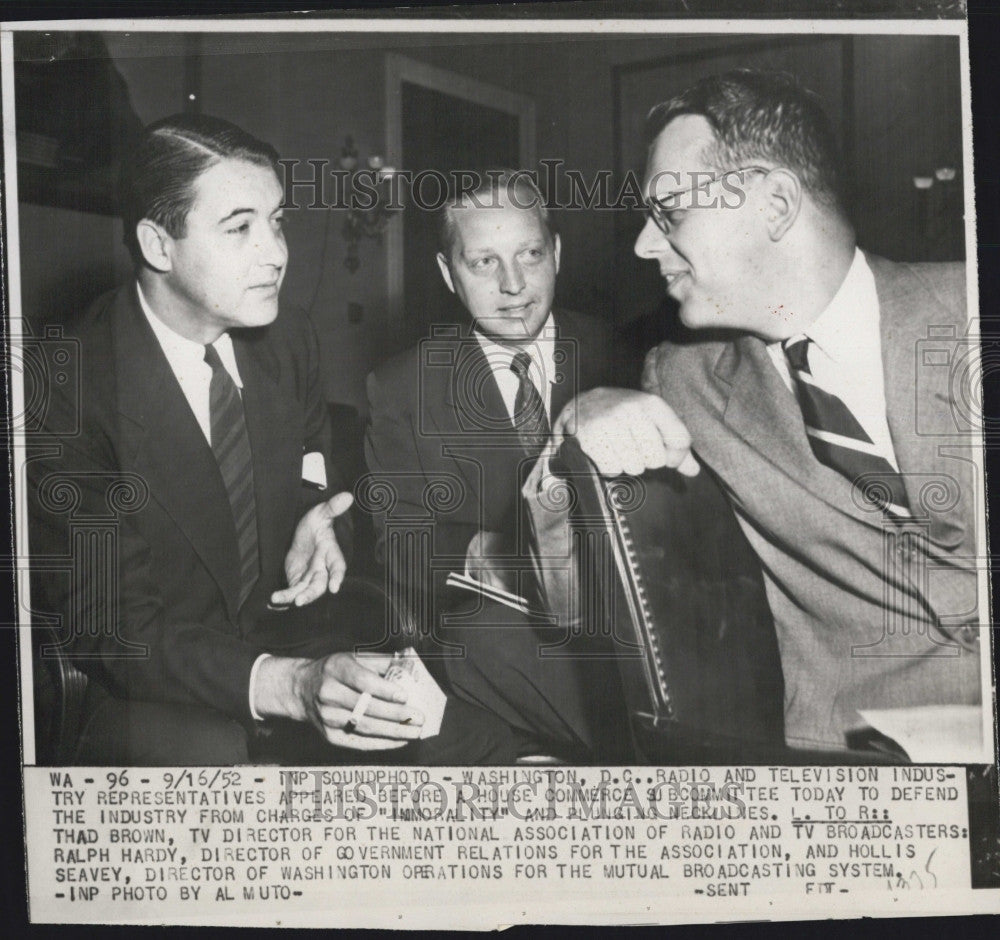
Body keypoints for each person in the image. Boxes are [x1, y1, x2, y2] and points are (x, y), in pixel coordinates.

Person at [27, 114, 519, 765]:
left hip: (287, 636)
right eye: (240, 228)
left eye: (278, 220)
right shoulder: (63, 387)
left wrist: (314, 518)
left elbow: (315, 465)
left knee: (451, 710)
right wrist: (289, 685)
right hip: (145, 679)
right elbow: (114, 626)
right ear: (157, 244)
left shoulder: (286, 341)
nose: (276, 253)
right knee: (213, 756)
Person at [559, 70, 982, 755]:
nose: (643, 244)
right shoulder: (681, 379)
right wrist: (576, 421)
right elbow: (573, 600)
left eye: (670, 211)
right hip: (854, 768)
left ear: (776, 204)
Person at [364, 170, 629, 760]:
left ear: (556, 253)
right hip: (503, 642)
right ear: (447, 274)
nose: (514, 285)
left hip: (630, 633)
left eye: (530, 255)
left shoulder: (624, 359)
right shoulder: (402, 387)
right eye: (483, 263)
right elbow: (398, 541)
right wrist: (487, 555)